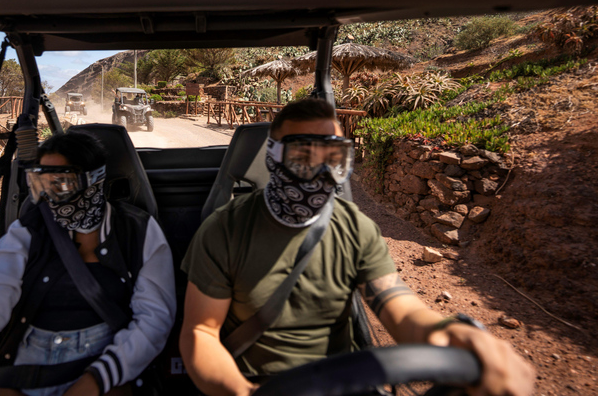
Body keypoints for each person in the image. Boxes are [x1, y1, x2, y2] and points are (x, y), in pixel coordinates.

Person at [179, 98, 535, 396]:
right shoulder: (226, 228)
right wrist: (242, 393)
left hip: (342, 381)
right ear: (273, 158)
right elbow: (201, 333)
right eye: (304, 158)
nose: (320, 173)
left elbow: (399, 307)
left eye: (333, 159)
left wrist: (447, 332)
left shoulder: (355, 227)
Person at [0, 131, 176, 396]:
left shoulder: (137, 230)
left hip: (107, 359)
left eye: (59, 183)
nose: (49, 197)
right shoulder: (28, 230)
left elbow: (155, 318)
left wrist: (98, 378)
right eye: (40, 184)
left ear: (92, 181)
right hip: (27, 362)